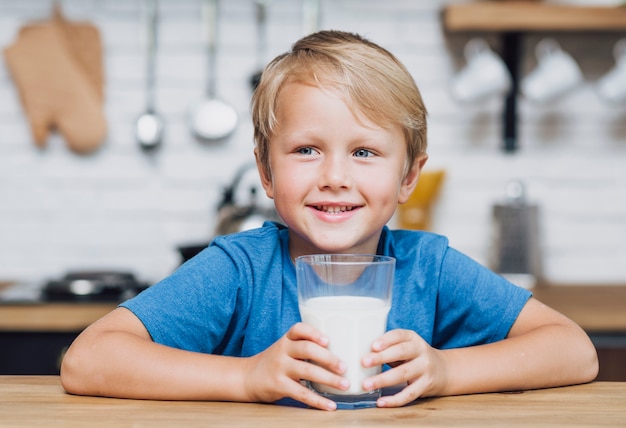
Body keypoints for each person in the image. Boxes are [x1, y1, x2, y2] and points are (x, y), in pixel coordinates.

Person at [60, 30, 598, 411]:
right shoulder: (240, 270)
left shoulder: (426, 267)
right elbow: (87, 360)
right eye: (306, 150)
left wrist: (449, 371)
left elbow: (572, 349)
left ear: (409, 177)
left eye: (364, 152)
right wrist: (245, 377)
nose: (335, 176)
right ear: (266, 173)